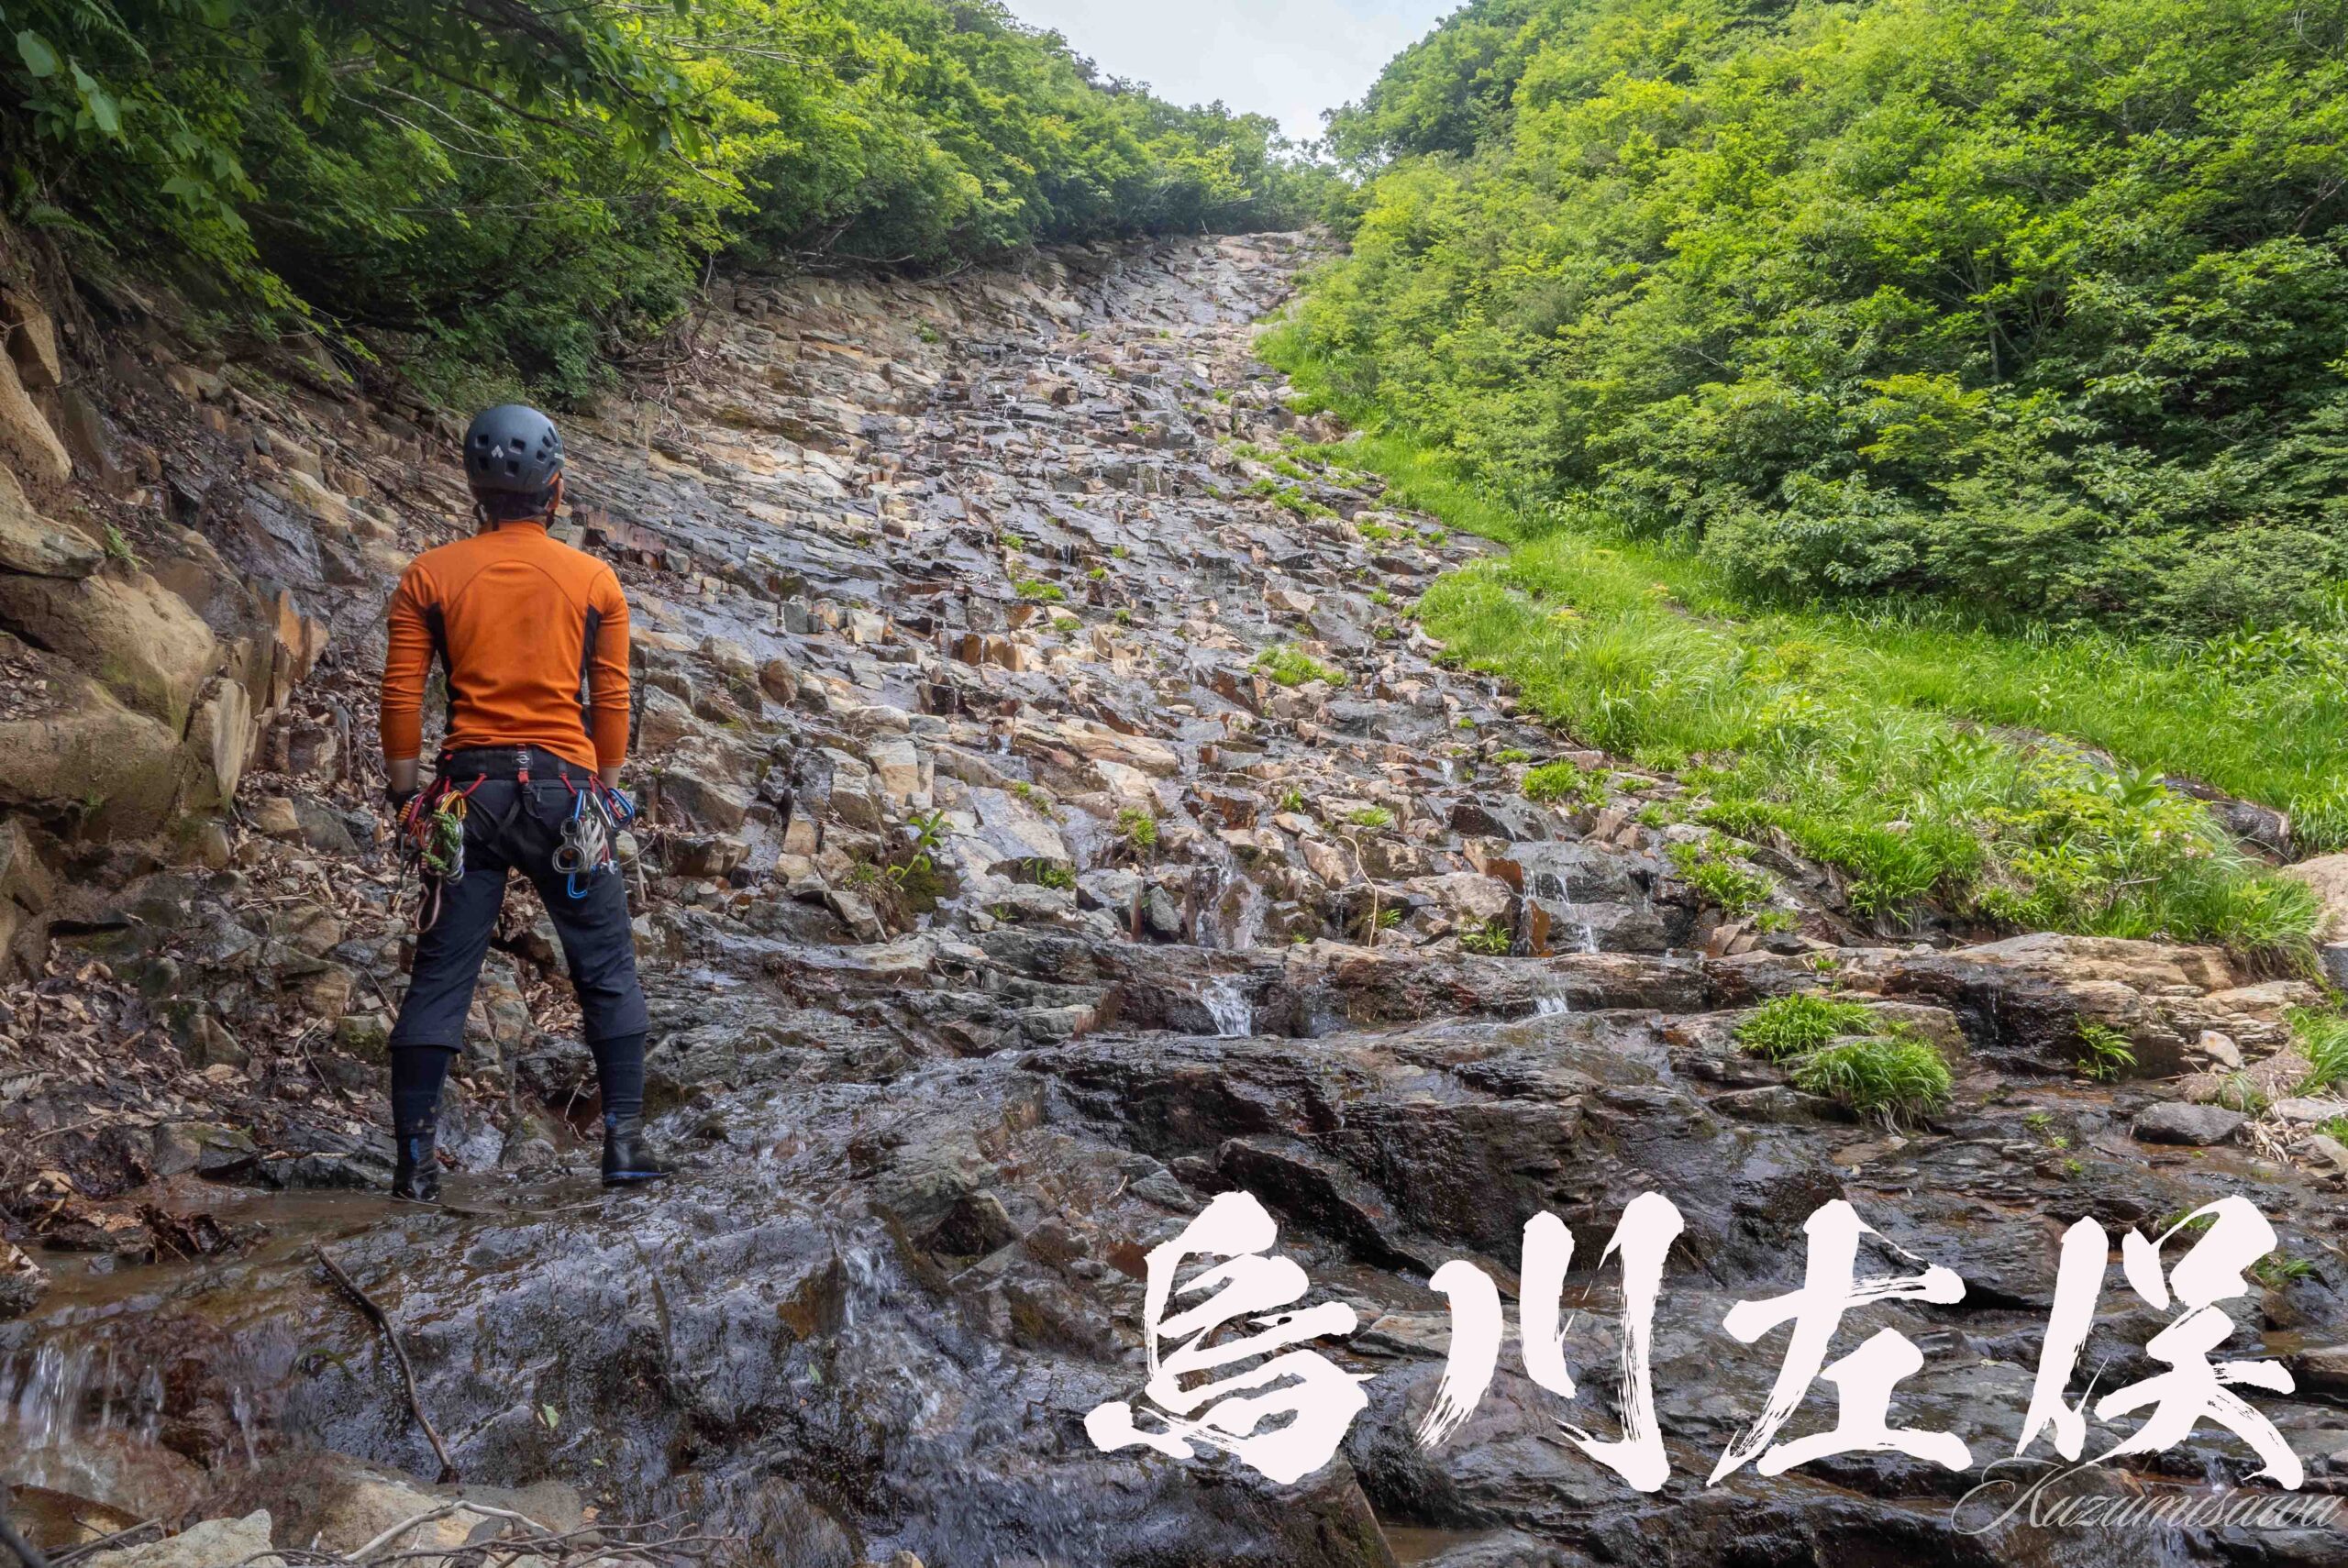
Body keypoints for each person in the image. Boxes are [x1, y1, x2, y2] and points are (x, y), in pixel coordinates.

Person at [377, 403, 665, 1200]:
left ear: (475, 494)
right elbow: (611, 699)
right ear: (557, 490)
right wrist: (604, 791)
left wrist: (408, 796)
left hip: (467, 796)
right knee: (605, 965)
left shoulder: (430, 575)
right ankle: (625, 1147)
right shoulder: (594, 580)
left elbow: (402, 693)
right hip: (568, 796)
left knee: (441, 973)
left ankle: (414, 1164)